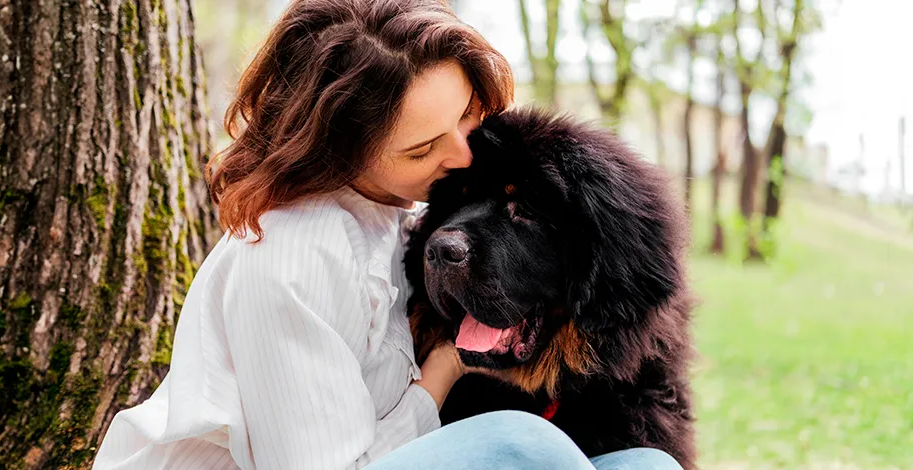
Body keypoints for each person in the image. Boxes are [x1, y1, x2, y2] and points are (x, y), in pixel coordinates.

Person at [92, 1, 683, 469]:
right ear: (339, 152)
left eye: (464, 118)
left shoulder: (387, 215)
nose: (460, 154)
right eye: (423, 147)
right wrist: (444, 374)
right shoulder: (290, 257)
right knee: (522, 446)